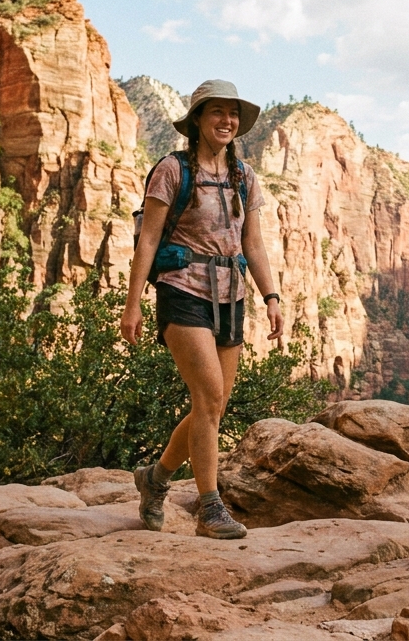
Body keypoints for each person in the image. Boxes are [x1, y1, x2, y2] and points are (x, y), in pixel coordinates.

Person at [121, 79, 284, 540]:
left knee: (211, 405)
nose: (226, 121)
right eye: (216, 112)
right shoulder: (172, 170)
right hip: (182, 290)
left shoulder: (244, 177)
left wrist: (271, 297)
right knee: (210, 397)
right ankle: (210, 508)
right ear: (197, 120)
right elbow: (148, 238)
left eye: (233, 113)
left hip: (231, 296)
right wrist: (131, 305)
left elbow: (252, 242)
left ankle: (154, 479)